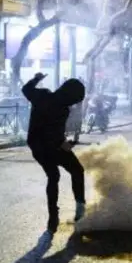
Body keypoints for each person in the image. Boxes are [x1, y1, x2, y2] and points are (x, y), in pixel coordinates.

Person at [22, 73, 86, 233]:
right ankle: (80, 208)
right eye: (75, 99)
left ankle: (53, 216)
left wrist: (36, 78)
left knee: (53, 176)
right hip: (50, 146)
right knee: (77, 170)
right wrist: (64, 145)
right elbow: (54, 134)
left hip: (37, 146)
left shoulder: (42, 95)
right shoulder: (62, 110)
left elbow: (26, 89)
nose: (74, 103)